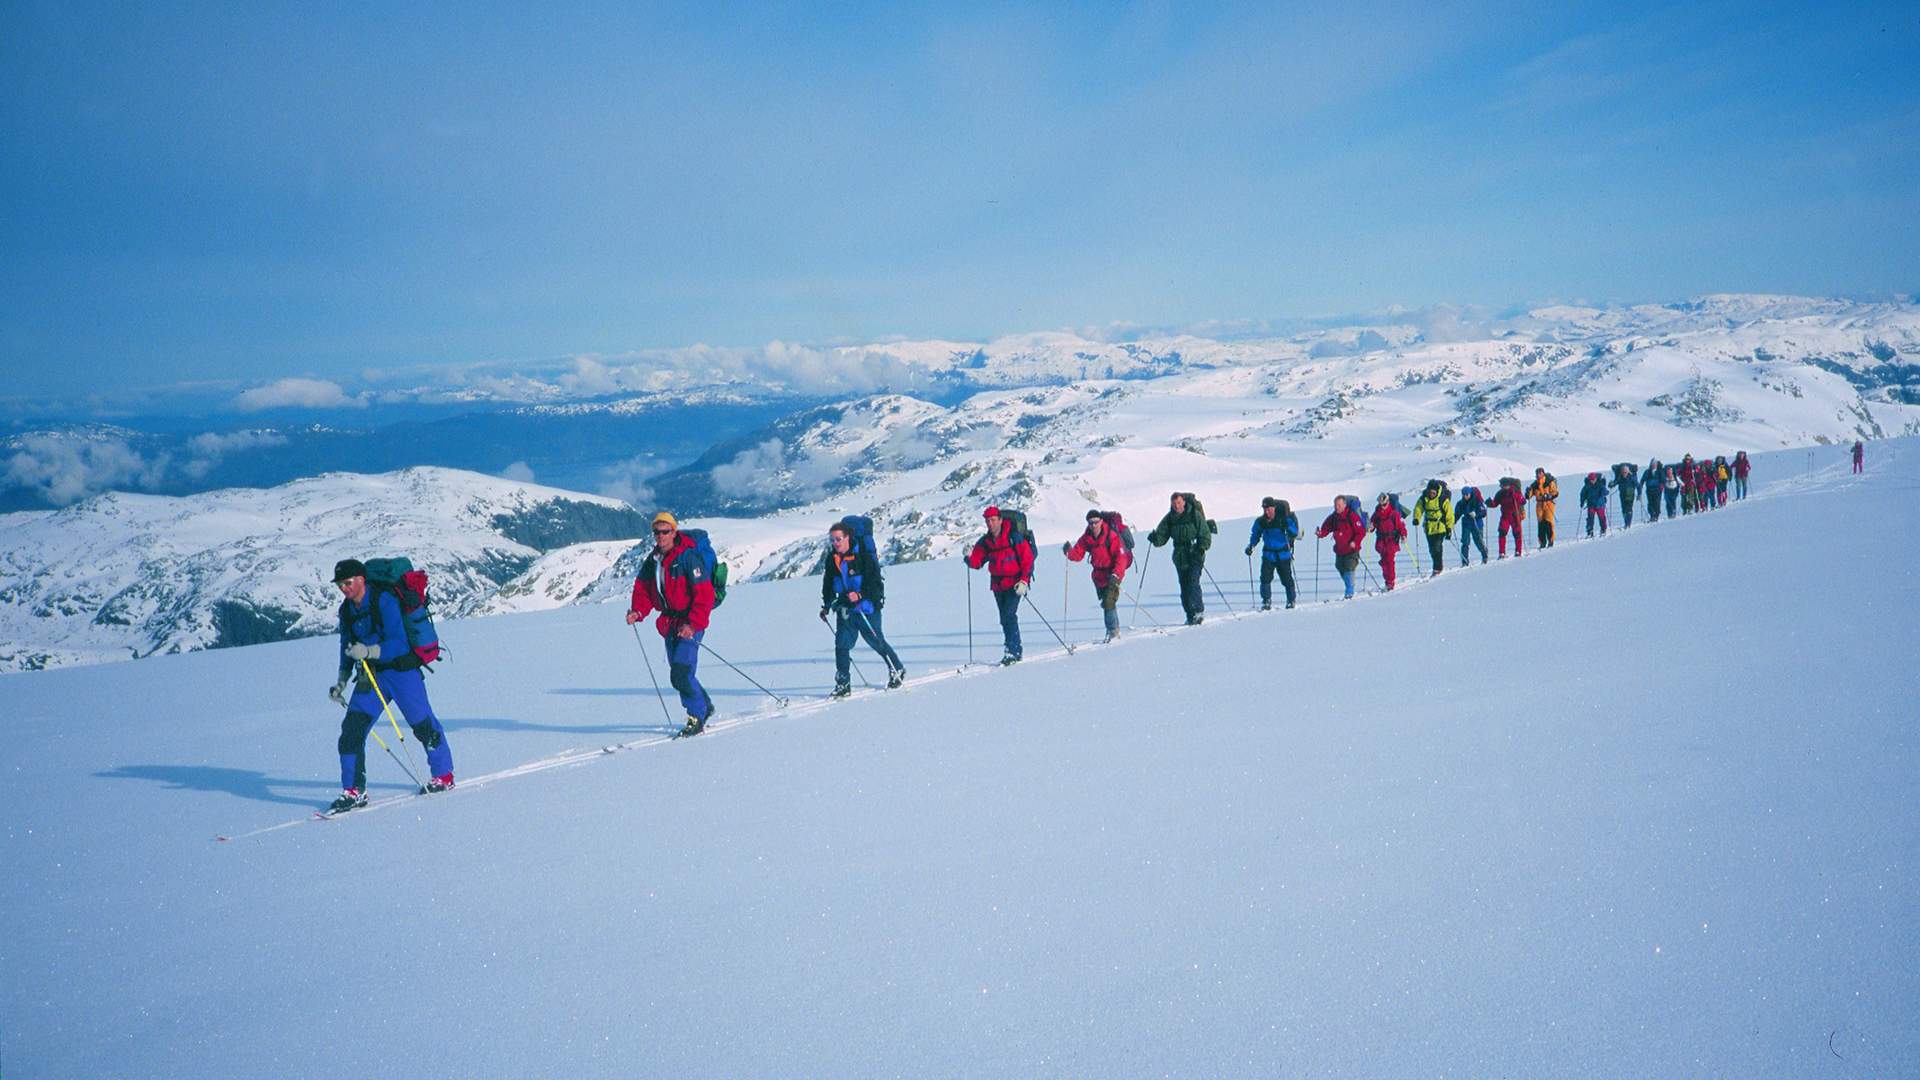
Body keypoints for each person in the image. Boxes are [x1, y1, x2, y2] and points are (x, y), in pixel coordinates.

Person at [326, 558, 454, 813]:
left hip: (401, 672)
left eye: (348, 582)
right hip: (371, 676)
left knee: (423, 725)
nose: (344, 588)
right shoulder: (347, 610)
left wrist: (370, 650)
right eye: (340, 584)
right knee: (351, 731)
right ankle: (353, 791)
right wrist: (341, 680)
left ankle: (444, 775)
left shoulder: (384, 600)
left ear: (362, 579)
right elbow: (346, 648)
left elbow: (399, 642)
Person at [627, 512, 717, 737]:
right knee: (680, 671)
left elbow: (704, 594)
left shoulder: (688, 557)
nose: (660, 536)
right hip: (670, 623)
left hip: (690, 622)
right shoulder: (654, 560)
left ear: (674, 532)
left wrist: (693, 625)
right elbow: (644, 590)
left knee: (681, 672)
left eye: (665, 531)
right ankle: (704, 706)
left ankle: (696, 716)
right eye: (656, 532)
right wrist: (638, 611)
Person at [820, 519, 905, 696]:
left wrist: (860, 595)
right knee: (841, 645)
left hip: (867, 607)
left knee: (876, 641)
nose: (835, 543)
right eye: (832, 540)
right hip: (845, 609)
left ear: (848, 537)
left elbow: (874, 582)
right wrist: (827, 605)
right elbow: (828, 583)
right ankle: (843, 684)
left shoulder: (863, 556)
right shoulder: (832, 559)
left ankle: (897, 669)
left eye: (838, 539)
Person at [966, 506, 1035, 664]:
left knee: (1009, 616)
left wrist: (1024, 581)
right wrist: (968, 557)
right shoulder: (985, 542)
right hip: (998, 585)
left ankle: (1013, 651)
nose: (990, 523)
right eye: (988, 521)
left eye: (993, 520)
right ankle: (1012, 649)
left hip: (1016, 583)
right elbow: (977, 563)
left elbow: (1027, 559)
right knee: (1005, 618)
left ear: (1000, 520)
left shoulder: (1014, 537)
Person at [1147, 491, 1213, 625]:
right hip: (1179, 555)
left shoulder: (1195, 515)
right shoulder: (1170, 518)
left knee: (1193, 582)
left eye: (1178, 503)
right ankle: (1190, 614)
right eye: (1174, 504)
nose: (1176, 506)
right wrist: (1155, 539)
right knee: (1184, 585)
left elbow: (1205, 533)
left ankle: (1198, 612)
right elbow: (1162, 537)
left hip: (1195, 552)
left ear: (1184, 502)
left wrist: (1201, 548)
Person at [1065, 510, 1132, 640]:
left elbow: (1121, 557)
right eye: (1090, 523)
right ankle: (1112, 630)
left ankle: (1113, 632)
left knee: (1109, 601)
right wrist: (1069, 551)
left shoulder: (1111, 536)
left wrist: (1116, 574)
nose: (1093, 525)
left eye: (1096, 522)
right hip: (1098, 575)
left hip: (1113, 573)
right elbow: (1078, 555)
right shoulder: (1087, 537)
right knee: (1105, 602)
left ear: (1101, 521)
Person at [1244, 497, 1300, 610]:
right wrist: (1251, 546)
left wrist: (1287, 527)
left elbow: (1295, 532)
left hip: (1283, 554)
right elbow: (1255, 534)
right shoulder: (1261, 521)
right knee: (1265, 578)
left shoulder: (1284, 519)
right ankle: (1266, 601)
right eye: (1264, 509)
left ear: (1274, 508)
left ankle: (1291, 600)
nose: (1266, 511)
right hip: (1268, 555)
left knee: (1286, 579)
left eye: (1268, 508)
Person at [1315, 496, 1366, 598]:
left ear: (1344, 505)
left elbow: (1361, 532)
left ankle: (1349, 592)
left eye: (1339, 505)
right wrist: (1320, 533)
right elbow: (1326, 528)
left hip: (1351, 549)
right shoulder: (1334, 517)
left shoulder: (1352, 516)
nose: (1336, 507)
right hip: (1339, 549)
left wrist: (1355, 542)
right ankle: (1350, 585)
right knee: (1339, 566)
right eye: (1335, 505)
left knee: (1349, 567)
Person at [1412, 480, 1454, 575]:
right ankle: (1438, 565)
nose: (1431, 494)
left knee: (1437, 547)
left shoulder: (1443, 500)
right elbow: (1418, 508)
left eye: (1433, 493)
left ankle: (1437, 568)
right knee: (1432, 549)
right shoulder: (1424, 499)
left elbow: (1449, 514)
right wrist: (1416, 518)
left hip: (1441, 527)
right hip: (1429, 527)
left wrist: (1449, 528)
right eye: (1430, 492)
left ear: (1437, 491)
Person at [1370, 493, 1407, 591]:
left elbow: (1400, 526)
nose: (1382, 506)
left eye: (1384, 504)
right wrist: (1370, 527)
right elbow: (1372, 523)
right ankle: (1387, 581)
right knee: (1384, 562)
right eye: (1381, 504)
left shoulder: (1394, 513)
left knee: (1389, 562)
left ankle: (1390, 582)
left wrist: (1403, 535)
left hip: (1391, 541)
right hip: (1381, 541)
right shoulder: (1377, 512)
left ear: (1388, 502)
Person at [1490, 477, 1526, 558]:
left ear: (1507, 485)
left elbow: (1523, 501)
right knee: (1502, 532)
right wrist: (1490, 503)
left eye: (1502, 485)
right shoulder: (1500, 493)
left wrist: (1519, 499)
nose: (1501, 487)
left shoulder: (1515, 492)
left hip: (1515, 515)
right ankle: (1502, 553)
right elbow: (1495, 503)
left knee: (1517, 534)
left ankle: (1518, 551)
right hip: (1505, 516)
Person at [1454, 485, 1489, 565]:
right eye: (1464, 495)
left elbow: (1484, 512)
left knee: (1478, 541)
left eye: (1467, 494)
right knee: (1465, 542)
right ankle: (1464, 561)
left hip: (1477, 523)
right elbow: (1457, 514)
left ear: (1470, 493)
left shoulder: (1477, 501)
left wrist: (1476, 514)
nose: (1465, 496)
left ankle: (1484, 555)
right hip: (1466, 523)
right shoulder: (1460, 503)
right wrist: (1453, 521)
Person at [1525, 468, 1559, 548]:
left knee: (1548, 522)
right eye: (1537, 473)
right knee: (1541, 524)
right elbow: (1528, 496)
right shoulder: (1534, 485)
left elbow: (1555, 493)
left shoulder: (1549, 481)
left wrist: (1549, 496)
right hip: (1539, 504)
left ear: (1543, 473)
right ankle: (1542, 542)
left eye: (1540, 473)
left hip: (1549, 503)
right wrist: (1528, 492)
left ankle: (1551, 540)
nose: (1538, 475)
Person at [1579, 471, 1609, 537]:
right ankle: (1590, 532)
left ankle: (1603, 530)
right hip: (1591, 505)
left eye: (1593, 479)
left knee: (1602, 518)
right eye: (1591, 479)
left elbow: (1606, 492)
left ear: (1596, 478)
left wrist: (1604, 492)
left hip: (1600, 504)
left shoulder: (1600, 484)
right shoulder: (1587, 486)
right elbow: (1582, 494)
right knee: (1590, 519)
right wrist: (1582, 502)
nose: (1592, 481)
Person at [1612, 462, 1638, 528]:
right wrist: (1611, 484)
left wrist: (1640, 494)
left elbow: (1638, 485)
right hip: (1622, 493)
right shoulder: (1620, 477)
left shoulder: (1632, 477)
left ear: (1628, 471)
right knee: (1623, 509)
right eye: (1623, 472)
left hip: (1630, 492)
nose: (1624, 473)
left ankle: (1628, 524)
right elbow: (1615, 482)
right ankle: (1626, 522)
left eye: (1625, 472)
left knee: (1628, 508)